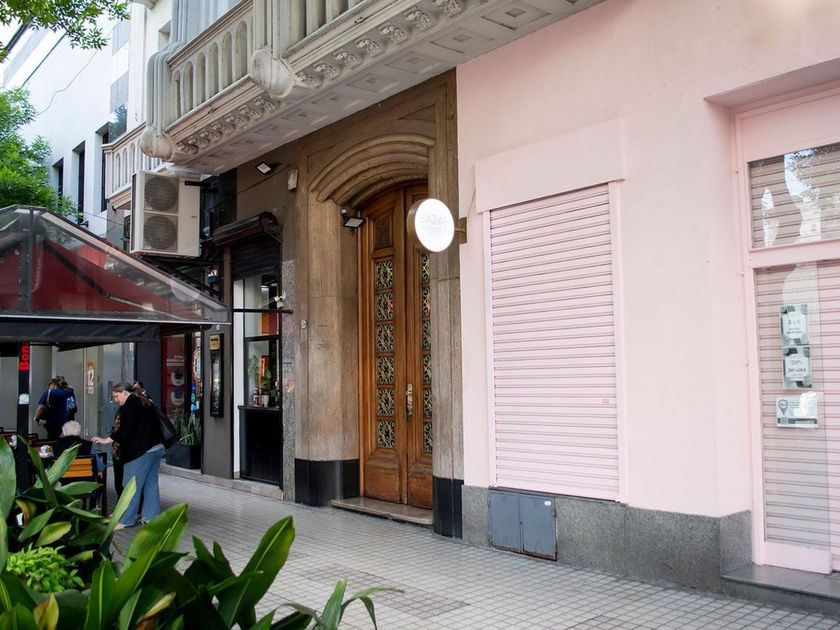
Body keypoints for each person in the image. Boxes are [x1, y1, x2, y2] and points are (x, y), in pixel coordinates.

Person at [92, 382, 164, 529]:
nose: (115, 400)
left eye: (116, 396)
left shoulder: (129, 405)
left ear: (125, 392)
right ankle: (151, 517)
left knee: (131, 485)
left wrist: (106, 440)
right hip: (157, 447)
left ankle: (126, 520)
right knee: (151, 483)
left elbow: (125, 430)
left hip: (140, 450)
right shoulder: (145, 401)